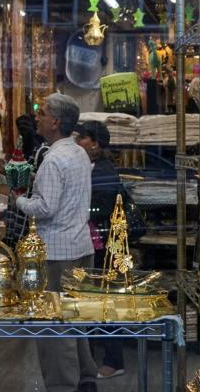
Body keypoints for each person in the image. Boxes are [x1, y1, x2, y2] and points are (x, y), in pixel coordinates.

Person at [12, 93, 97, 392]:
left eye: (43, 112)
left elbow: (45, 209)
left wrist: (18, 199)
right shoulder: (78, 154)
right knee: (73, 318)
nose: (37, 116)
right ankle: (86, 377)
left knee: (52, 325)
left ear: (56, 122)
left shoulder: (54, 159)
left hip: (57, 252)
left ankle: (63, 386)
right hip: (80, 247)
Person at [74, 120, 127, 380]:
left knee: (105, 302)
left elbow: (103, 208)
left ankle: (114, 360)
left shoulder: (103, 169)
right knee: (95, 301)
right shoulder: (93, 166)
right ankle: (96, 357)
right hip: (97, 243)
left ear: (94, 143)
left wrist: (78, 211)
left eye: (82, 138)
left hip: (105, 245)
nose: (78, 142)